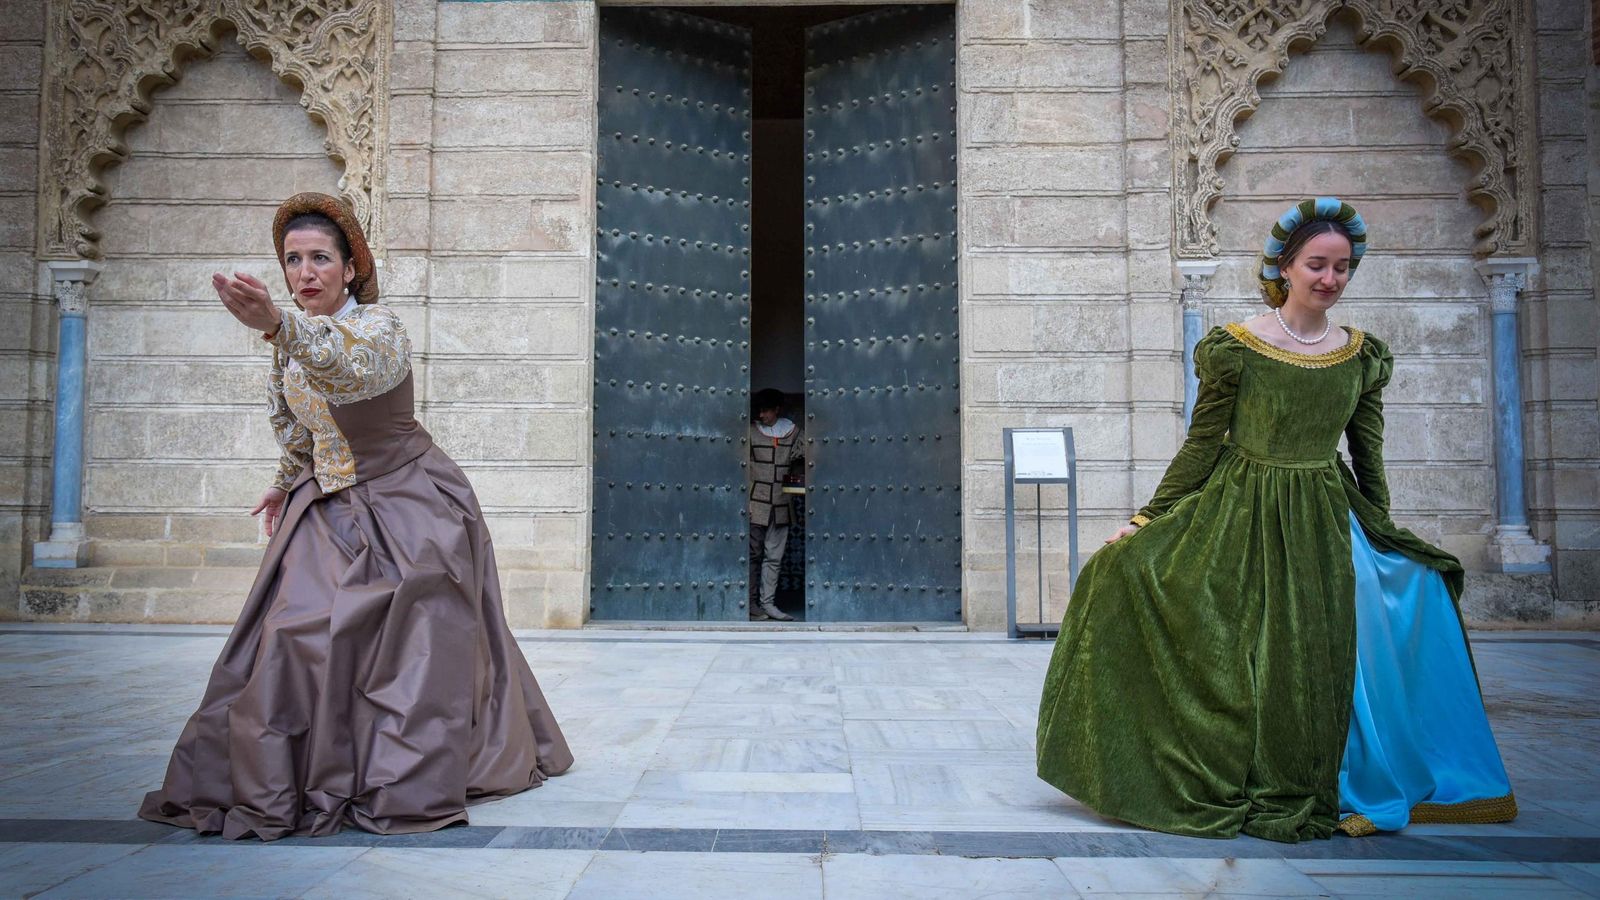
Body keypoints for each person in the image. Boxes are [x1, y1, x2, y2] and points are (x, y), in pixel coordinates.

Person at [1036, 198, 1516, 842]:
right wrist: (1148, 518)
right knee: (1131, 583)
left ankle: (1335, 769)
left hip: (1322, 514)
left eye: (1342, 268)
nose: (1330, 279)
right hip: (1238, 507)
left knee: (1338, 636)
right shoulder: (1236, 347)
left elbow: (1365, 457)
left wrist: (1381, 532)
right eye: (1317, 265)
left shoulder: (1361, 354)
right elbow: (1203, 444)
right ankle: (1176, 765)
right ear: (1285, 268)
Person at [139, 193, 573, 840]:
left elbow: (351, 373)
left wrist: (278, 326)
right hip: (327, 506)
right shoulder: (286, 342)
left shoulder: (380, 329)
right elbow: (299, 428)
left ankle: (396, 772)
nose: (305, 272)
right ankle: (295, 776)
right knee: (290, 633)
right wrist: (284, 483)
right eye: (293, 260)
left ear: (349, 268)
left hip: (409, 503)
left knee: (413, 643)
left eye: (320, 258)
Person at [748, 388, 803, 622]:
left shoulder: (794, 433)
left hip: (781, 504)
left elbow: (800, 465)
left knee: (774, 557)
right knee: (753, 555)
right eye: (759, 411)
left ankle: (768, 604)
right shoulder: (749, 432)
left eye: (766, 410)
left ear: (776, 409)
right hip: (754, 504)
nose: (762, 415)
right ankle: (750, 604)